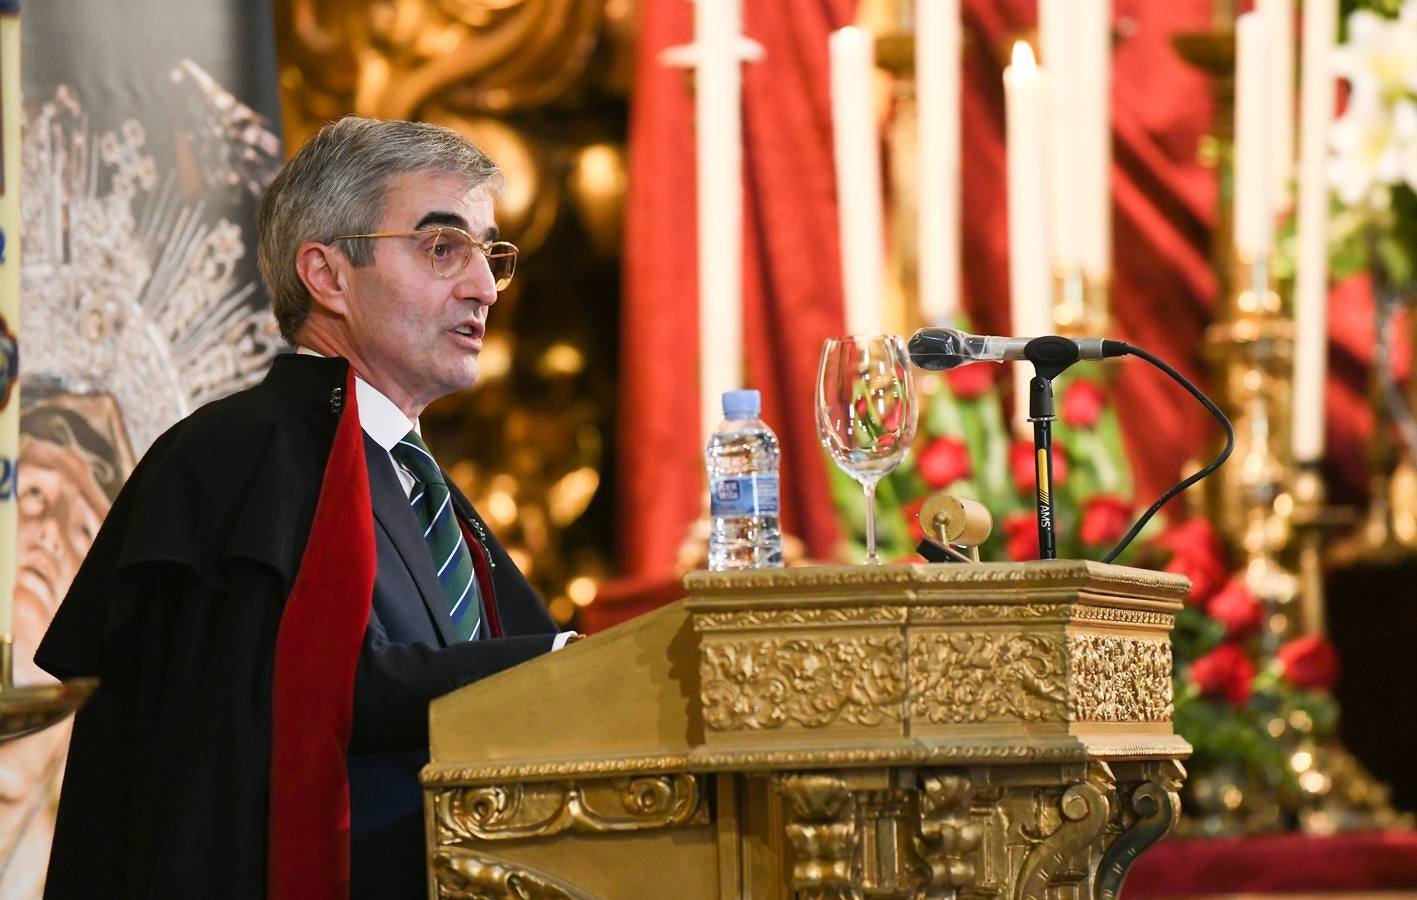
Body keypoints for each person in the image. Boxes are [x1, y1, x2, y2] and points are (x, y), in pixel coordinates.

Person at [36, 116, 571, 900]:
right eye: (440, 247)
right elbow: (288, 706)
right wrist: (551, 666)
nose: (484, 286)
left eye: (490, 253)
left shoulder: (414, 482)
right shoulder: (237, 458)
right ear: (326, 275)